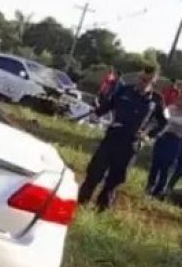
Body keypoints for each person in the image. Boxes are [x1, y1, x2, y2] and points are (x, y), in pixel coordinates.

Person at [78, 65, 167, 211]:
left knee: (114, 179)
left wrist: (148, 135)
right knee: (94, 171)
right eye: (140, 78)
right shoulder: (125, 90)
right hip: (113, 137)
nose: (141, 82)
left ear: (153, 81)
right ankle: (81, 203)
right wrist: (97, 113)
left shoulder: (156, 100)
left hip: (130, 144)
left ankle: (101, 209)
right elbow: (109, 104)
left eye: (145, 80)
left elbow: (163, 122)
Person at [146, 95, 182, 197]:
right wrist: (168, 115)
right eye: (179, 98)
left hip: (175, 140)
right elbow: (165, 115)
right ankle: (149, 186)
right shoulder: (171, 108)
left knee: (165, 167)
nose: (179, 100)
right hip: (163, 137)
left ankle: (158, 191)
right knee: (155, 163)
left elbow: (175, 121)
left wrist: (170, 118)